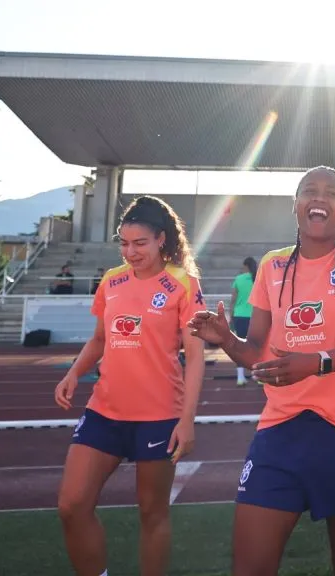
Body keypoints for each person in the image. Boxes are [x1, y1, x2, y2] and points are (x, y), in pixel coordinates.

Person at [187, 166, 335, 576]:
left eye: (331, 192)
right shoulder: (272, 265)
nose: (320, 198)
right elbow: (260, 357)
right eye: (309, 191)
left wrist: (315, 364)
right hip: (280, 433)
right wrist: (227, 341)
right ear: (295, 205)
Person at [54, 195, 206, 576]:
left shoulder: (183, 284)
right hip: (105, 411)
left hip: (158, 417)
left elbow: (197, 357)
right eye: (124, 243)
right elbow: (100, 340)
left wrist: (186, 421)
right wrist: (74, 372)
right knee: (71, 505)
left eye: (140, 243)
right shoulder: (111, 281)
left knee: (152, 513)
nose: (131, 251)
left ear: (161, 240)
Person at [231, 257, 257, 386]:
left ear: (245, 266)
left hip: (240, 316)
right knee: (257, 347)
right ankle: (259, 376)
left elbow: (233, 300)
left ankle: (240, 378)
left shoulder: (239, 279)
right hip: (255, 317)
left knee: (240, 348)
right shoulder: (258, 278)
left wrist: (230, 317)